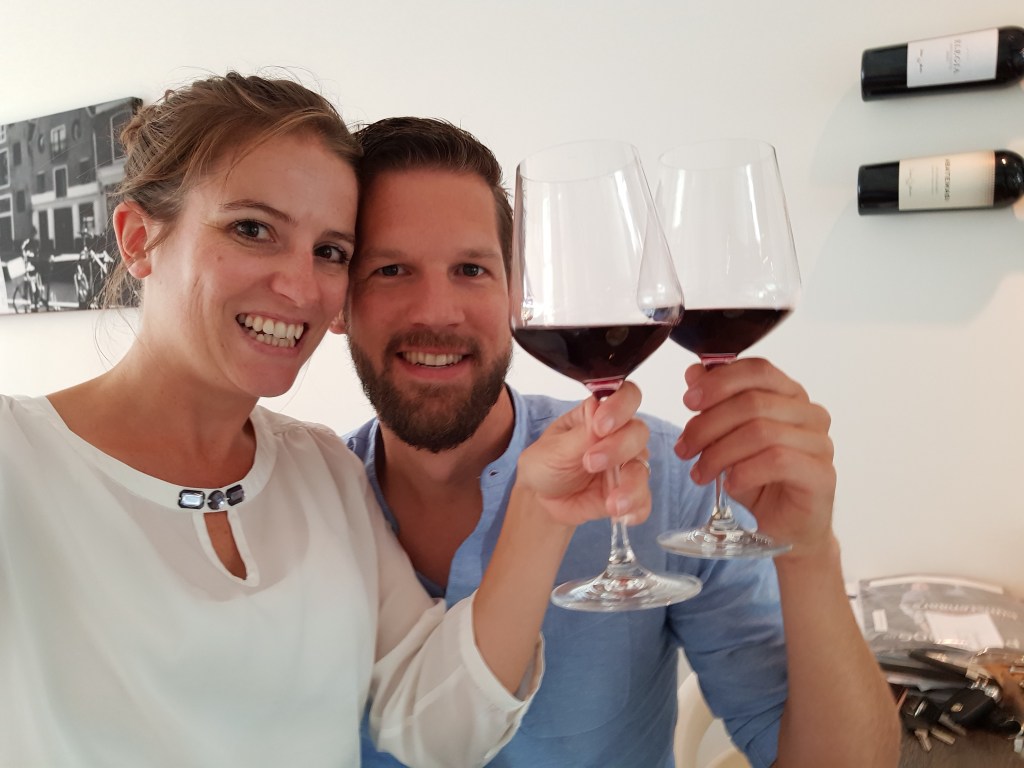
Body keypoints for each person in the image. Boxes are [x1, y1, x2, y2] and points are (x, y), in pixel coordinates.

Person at [0, 73, 656, 768]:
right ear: (138, 238)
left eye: (330, 252)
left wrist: (540, 511)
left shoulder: (323, 472)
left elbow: (440, 731)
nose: (300, 287)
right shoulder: (17, 461)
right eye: (253, 230)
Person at [339, 117, 901, 767]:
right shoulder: (306, 505)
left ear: (517, 292)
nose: (437, 311)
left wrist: (809, 553)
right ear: (337, 302)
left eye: (471, 268)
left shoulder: (672, 476)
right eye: (390, 269)